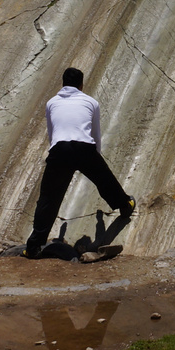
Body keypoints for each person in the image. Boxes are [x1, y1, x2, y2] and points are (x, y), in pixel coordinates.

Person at [25, 67, 134, 259]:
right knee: (104, 180)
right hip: (84, 147)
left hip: (59, 149)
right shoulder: (90, 102)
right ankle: (125, 205)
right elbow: (96, 132)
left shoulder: (52, 103)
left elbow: (52, 133)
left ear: (63, 82)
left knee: (49, 198)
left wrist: (57, 153)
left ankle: (33, 246)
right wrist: (96, 157)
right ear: (81, 84)